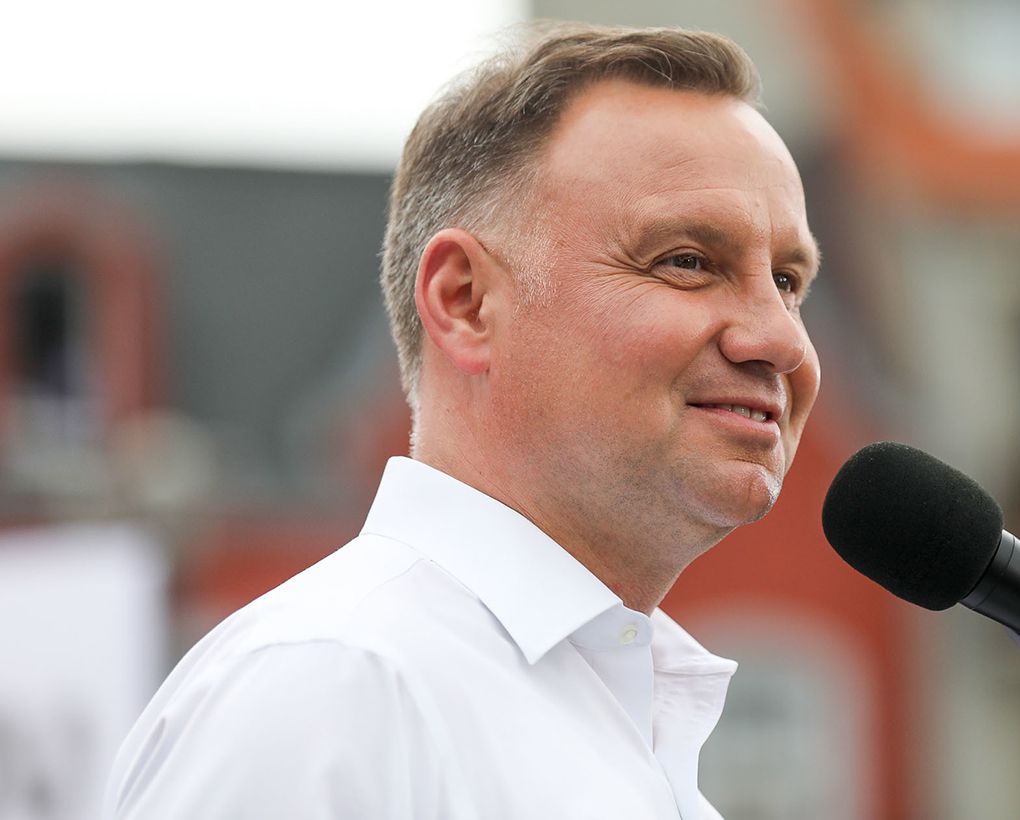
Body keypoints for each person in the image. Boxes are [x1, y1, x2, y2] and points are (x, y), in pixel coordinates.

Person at [104, 21, 821, 819]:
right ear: (466, 302)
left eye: (788, 281)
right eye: (687, 262)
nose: (781, 340)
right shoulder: (335, 685)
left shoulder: (619, 718)